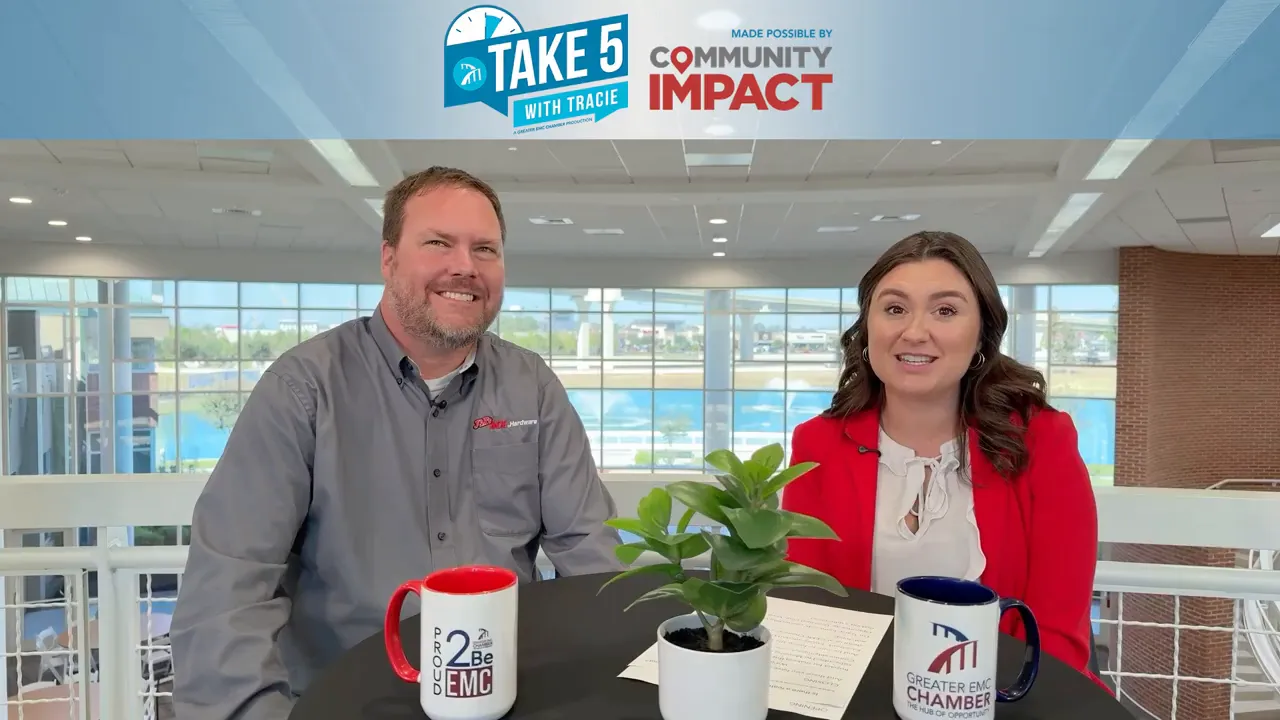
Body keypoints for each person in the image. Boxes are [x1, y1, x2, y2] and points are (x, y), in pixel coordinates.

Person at [170, 166, 623, 719]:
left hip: (503, 694)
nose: (465, 266)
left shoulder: (532, 387)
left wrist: (623, 678)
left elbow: (591, 550)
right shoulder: (304, 390)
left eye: (485, 249)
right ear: (388, 260)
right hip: (347, 701)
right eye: (438, 243)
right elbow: (228, 589)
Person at [781, 231, 1102, 683]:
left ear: (982, 333)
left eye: (945, 311)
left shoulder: (1041, 439)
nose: (915, 332)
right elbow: (806, 610)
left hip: (1004, 697)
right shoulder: (818, 443)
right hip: (856, 693)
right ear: (867, 327)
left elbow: (1057, 636)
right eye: (895, 309)